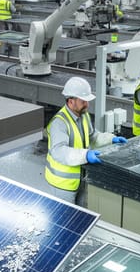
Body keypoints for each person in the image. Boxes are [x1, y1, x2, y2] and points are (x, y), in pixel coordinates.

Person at [45, 77, 127, 205]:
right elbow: (59, 151)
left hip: (81, 179)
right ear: (71, 101)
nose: (87, 105)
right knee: (66, 216)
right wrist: (85, 155)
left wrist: (111, 139)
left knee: (80, 214)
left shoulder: (84, 116)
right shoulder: (59, 123)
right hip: (62, 184)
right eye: (83, 101)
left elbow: (92, 136)